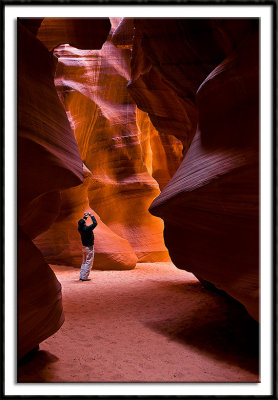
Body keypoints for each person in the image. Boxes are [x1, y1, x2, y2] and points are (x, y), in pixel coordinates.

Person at [78, 212, 98, 281]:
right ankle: (84, 277)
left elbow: (81, 222)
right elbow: (95, 223)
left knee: (84, 261)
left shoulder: (80, 228)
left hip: (84, 247)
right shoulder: (87, 229)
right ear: (84, 223)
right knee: (88, 261)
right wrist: (91, 215)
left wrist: (85, 216)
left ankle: (81, 276)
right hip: (89, 247)